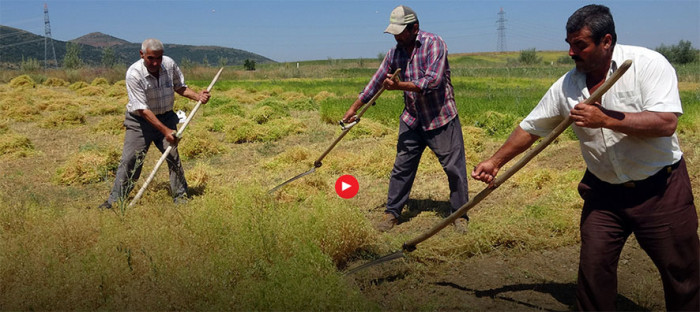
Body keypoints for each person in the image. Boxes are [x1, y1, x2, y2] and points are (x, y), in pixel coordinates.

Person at [471, 5, 698, 311]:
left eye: (579, 45)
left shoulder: (647, 65)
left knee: (682, 275)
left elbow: (665, 123)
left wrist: (605, 118)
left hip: (660, 189)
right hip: (604, 194)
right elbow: (532, 127)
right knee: (593, 273)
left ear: (606, 41)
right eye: (569, 44)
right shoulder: (567, 86)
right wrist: (495, 161)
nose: (571, 53)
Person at [342, 5, 469, 232]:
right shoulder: (395, 53)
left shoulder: (434, 44)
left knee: (453, 168)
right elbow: (376, 81)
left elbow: (433, 81)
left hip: (440, 118)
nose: (397, 37)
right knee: (402, 167)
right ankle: (392, 212)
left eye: (401, 32)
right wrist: (354, 108)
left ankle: (459, 214)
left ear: (415, 28)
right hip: (412, 118)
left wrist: (399, 86)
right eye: (394, 33)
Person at [99, 38, 210, 209]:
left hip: (166, 117)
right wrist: (166, 131)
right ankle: (114, 201)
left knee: (173, 157)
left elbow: (179, 86)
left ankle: (181, 198)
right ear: (142, 54)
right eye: (151, 58)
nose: (155, 62)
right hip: (139, 122)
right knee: (130, 160)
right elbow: (142, 109)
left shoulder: (169, 65)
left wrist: (198, 96)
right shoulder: (134, 73)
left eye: (159, 58)